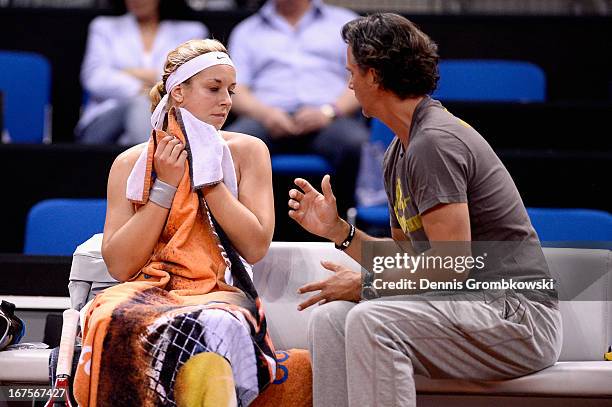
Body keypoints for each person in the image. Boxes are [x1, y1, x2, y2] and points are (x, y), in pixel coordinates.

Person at [287, 13, 562, 407]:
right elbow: (411, 262)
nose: (348, 83)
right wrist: (339, 233)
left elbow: (451, 266)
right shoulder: (399, 150)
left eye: (352, 72)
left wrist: (366, 286)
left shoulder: (434, 142)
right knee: (331, 320)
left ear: (376, 75)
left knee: (372, 319)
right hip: (468, 307)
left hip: (519, 317)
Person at [72, 38, 276, 406]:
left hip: (220, 292)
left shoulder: (248, 151)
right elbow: (121, 265)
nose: (227, 101)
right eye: (213, 89)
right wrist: (164, 186)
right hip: (147, 289)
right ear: (178, 93)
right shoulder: (129, 163)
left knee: (215, 323)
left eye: (230, 90)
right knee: (106, 317)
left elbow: (256, 246)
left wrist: (209, 179)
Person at [227, 0, 369, 206]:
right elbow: (235, 88)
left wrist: (329, 112)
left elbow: (363, 77)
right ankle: (235, 230)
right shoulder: (247, 30)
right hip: (266, 118)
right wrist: (265, 113)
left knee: (358, 145)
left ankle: (354, 223)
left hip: (329, 118)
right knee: (231, 147)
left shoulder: (345, 23)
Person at [76, 0, 207, 144]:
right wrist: (144, 90)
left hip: (169, 117)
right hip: (105, 117)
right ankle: (152, 163)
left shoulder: (191, 31)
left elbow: (187, 79)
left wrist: (129, 72)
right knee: (140, 104)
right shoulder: (103, 26)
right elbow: (95, 77)